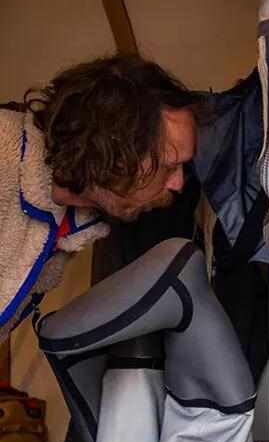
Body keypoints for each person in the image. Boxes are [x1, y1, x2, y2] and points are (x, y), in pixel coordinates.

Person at [0, 54, 196, 340]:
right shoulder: (4, 160)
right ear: (113, 149)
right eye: (168, 165)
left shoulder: (70, 224)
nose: (178, 183)